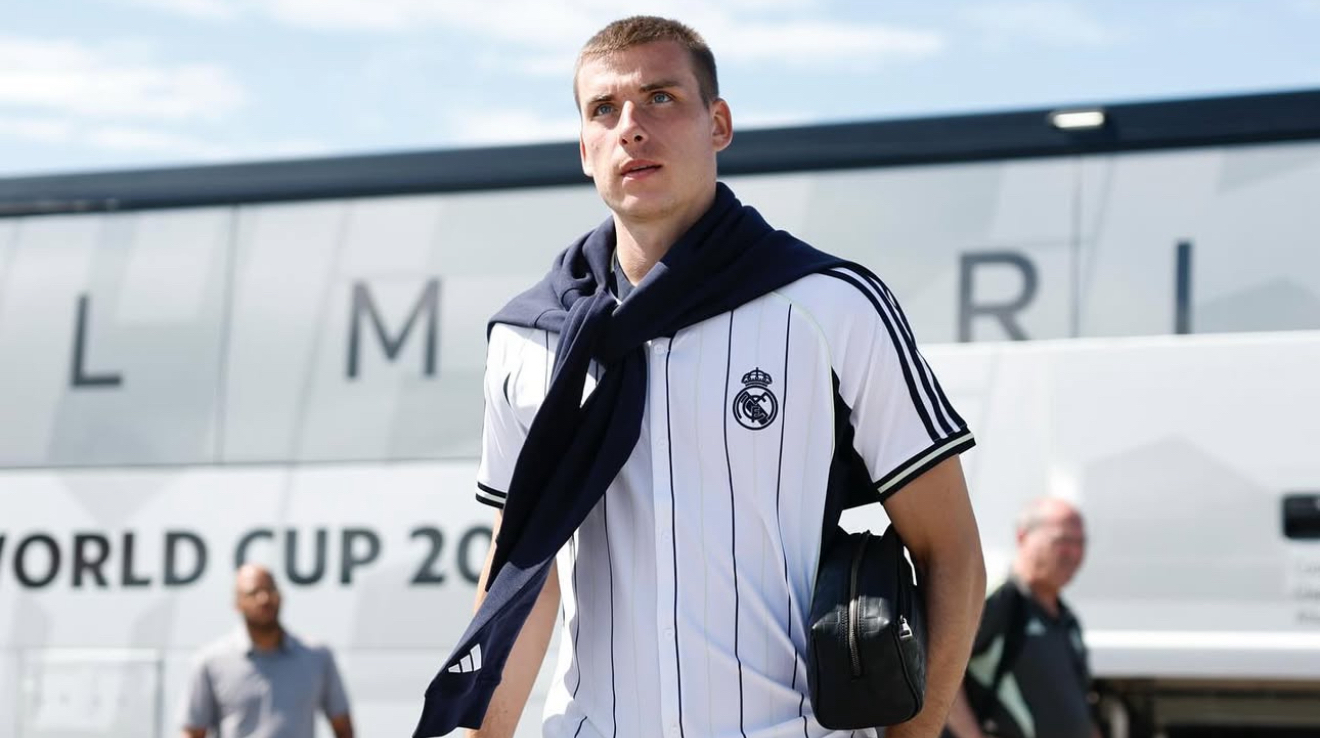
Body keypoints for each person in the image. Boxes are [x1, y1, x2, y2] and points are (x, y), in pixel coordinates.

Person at [415, 15, 985, 738]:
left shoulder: (832, 306)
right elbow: (522, 574)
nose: (631, 127)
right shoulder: (529, 339)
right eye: (604, 110)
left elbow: (952, 555)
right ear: (585, 149)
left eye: (661, 98)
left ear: (718, 124)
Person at [944, 498, 1100, 738]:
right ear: (1023, 537)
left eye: (1080, 542)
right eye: (1063, 541)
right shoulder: (1000, 602)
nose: (1074, 553)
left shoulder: (1068, 621)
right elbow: (941, 672)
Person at [179, 564, 354, 738]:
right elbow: (193, 732)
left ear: (281, 596)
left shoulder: (316, 656)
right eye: (253, 593)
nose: (264, 599)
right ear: (237, 604)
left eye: (270, 590)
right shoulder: (212, 661)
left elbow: (343, 728)